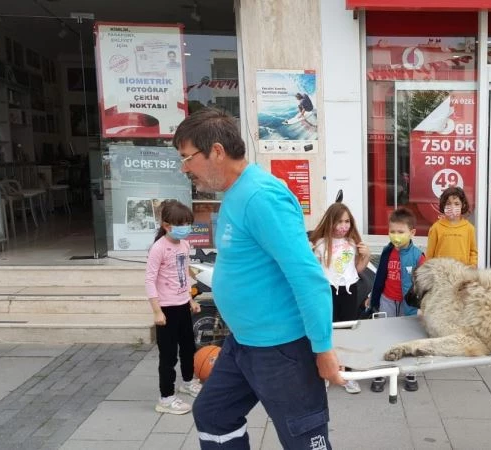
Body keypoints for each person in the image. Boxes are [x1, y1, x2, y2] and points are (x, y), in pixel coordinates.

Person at [174, 108, 343, 449]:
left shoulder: (262, 197)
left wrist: (323, 350)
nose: (184, 167)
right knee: (213, 413)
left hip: (281, 350)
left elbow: (307, 277)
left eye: (188, 157)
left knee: (305, 438)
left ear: (217, 151)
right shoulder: (235, 194)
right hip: (245, 343)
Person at [144, 199, 202, 415]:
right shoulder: (158, 248)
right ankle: (166, 398)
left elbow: (184, 275)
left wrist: (191, 299)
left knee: (188, 349)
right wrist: (156, 310)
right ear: (167, 225)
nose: (185, 228)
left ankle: (187, 382)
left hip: (182, 307)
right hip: (166, 310)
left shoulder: (184, 245)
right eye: (181, 224)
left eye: (188, 223)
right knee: (168, 356)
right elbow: (150, 280)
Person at [309, 202, 370, 394]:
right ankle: (326, 372)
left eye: (347, 221)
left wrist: (366, 256)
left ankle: (347, 374)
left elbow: (357, 270)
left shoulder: (352, 243)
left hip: (349, 291)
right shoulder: (319, 244)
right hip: (327, 292)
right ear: (330, 222)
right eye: (339, 221)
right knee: (328, 332)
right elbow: (313, 272)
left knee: (347, 332)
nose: (344, 226)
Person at [367, 207, 425, 392]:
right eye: (392, 231)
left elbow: (424, 282)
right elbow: (379, 277)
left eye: (401, 232)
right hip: (387, 300)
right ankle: (382, 371)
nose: (396, 236)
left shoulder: (418, 256)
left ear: (412, 232)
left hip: (408, 304)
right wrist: (372, 296)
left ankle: (409, 371)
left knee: (408, 335)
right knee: (384, 334)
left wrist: (424, 304)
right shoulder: (387, 252)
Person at [426, 186, 478, 266]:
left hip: (462, 273)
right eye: (448, 203)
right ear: (443, 206)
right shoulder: (436, 228)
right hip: (441, 273)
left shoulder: (469, 228)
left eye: (456, 204)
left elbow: (473, 252)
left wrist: (472, 266)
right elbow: (429, 254)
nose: (452, 207)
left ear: (463, 205)